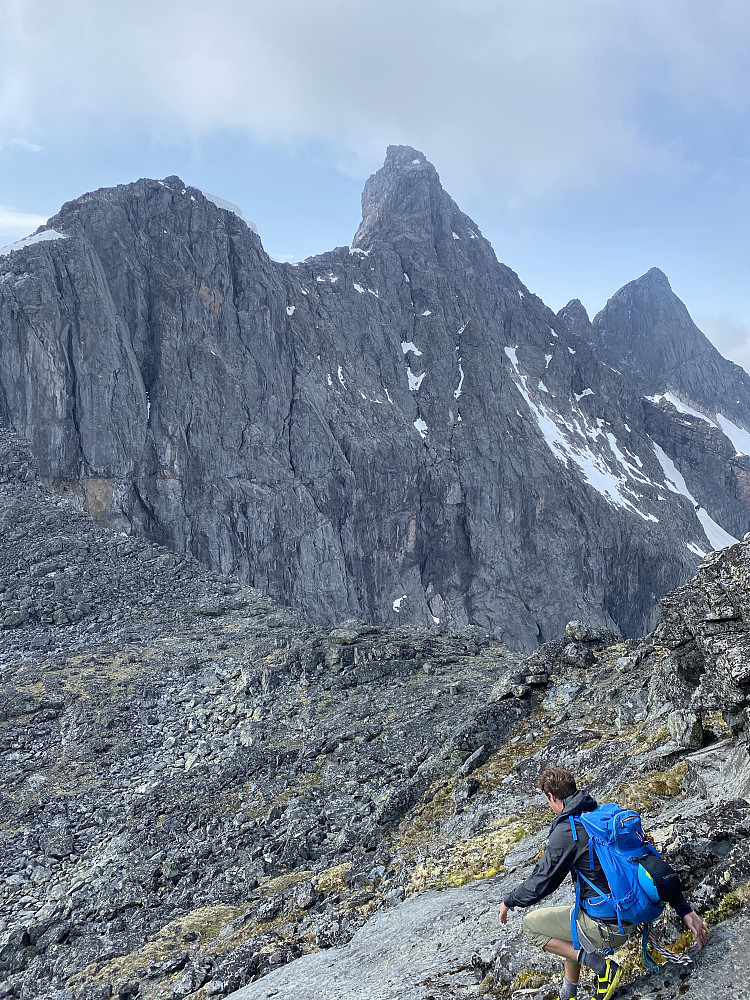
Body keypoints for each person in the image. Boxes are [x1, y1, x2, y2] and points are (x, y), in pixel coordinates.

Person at [497, 767, 708, 1000]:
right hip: (630, 915)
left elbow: (542, 882)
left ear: (552, 797)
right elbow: (649, 859)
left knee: (532, 925)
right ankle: (569, 994)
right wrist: (684, 909)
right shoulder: (603, 815)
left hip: (607, 926)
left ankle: (603, 968)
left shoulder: (569, 831)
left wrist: (510, 900)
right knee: (568, 919)